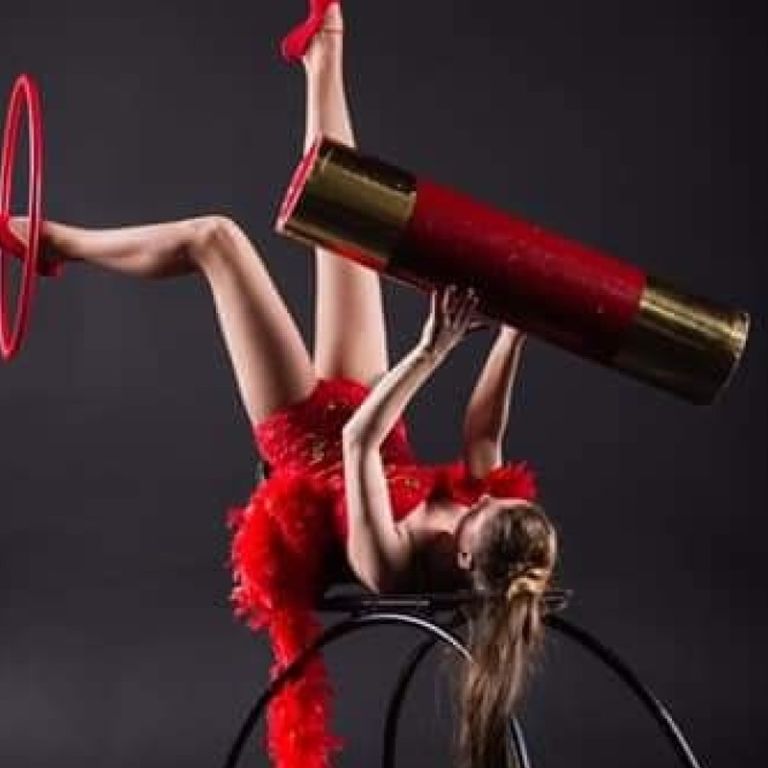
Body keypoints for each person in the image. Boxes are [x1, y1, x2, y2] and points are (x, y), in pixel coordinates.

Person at [0, 3, 558, 767]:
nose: (481, 497)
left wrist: (434, 350)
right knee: (350, 226)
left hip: (309, 439)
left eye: (482, 510)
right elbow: (484, 435)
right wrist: (519, 330)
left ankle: (56, 245)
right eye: (494, 498)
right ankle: (324, 53)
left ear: (464, 558)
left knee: (217, 241)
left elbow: (356, 445)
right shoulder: (496, 529)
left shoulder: (391, 561)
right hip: (370, 403)